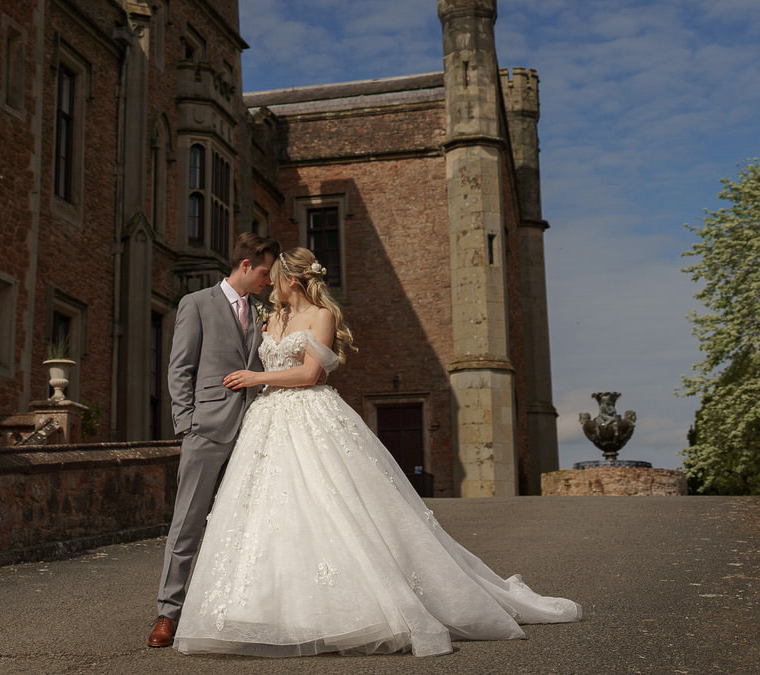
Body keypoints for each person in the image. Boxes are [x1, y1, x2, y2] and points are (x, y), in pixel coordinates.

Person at [172, 246, 582, 657]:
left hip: (308, 412)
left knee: (332, 504)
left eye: (275, 275)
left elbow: (312, 373)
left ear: (291, 279)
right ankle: (264, 610)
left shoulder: (321, 316)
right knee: (267, 514)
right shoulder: (270, 317)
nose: (269, 282)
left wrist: (255, 376)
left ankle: (352, 609)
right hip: (266, 422)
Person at [147, 232, 295, 649]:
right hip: (206, 429)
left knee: (248, 522)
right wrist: (187, 424)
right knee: (188, 523)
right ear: (245, 266)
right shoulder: (195, 303)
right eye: (266, 271)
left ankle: (235, 611)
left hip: (254, 430)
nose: (270, 279)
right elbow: (180, 369)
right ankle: (167, 613)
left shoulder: (266, 311)